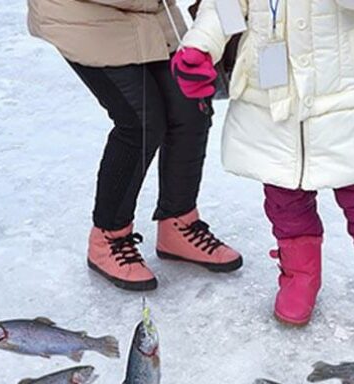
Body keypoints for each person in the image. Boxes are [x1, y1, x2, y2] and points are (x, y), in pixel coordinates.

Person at [175, 0, 354, 334]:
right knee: (283, 192)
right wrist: (200, 47)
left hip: (340, 92)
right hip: (271, 93)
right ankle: (300, 276)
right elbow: (224, 7)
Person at [26, 0, 242, 291]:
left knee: (191, 107)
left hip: (151, 16)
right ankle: (108, 237)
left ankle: (178, 223)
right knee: (141, 121)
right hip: (84, 16)